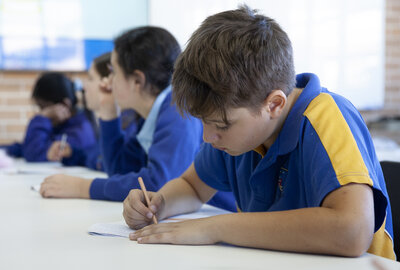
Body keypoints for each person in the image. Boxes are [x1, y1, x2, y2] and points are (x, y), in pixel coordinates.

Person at [122, 6, 395, 259]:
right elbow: (193, 187)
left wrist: (216, 227)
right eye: (203, 122)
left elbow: (352, 231)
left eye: (221, 125)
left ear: (274, 104)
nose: (207, 136)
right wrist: (159, 204)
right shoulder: (236, 136)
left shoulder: (326, 116)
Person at [39, 26, 236, 212]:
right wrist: (109, 112)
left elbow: (160, 183)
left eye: (114, 72)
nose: (108, 81)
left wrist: (84, 187)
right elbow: (118, 170)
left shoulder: (177, 109)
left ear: (137, 81)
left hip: (219, 216)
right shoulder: (149, 116)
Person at [46, 52, 140, 171]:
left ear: (109, 81)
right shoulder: (116, 121)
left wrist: (82, 186)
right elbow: (97, 158)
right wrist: (72, 154)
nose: (84, 87)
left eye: (90, 79)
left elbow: (116, 169)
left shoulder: (132, 127)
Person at [1, 72, 96, 162]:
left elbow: (34, 153)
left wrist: (42, 118)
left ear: (65, 105)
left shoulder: (79, 132)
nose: (42, 112)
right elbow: (24, 147)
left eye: (43, 107)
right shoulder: (62, 125)